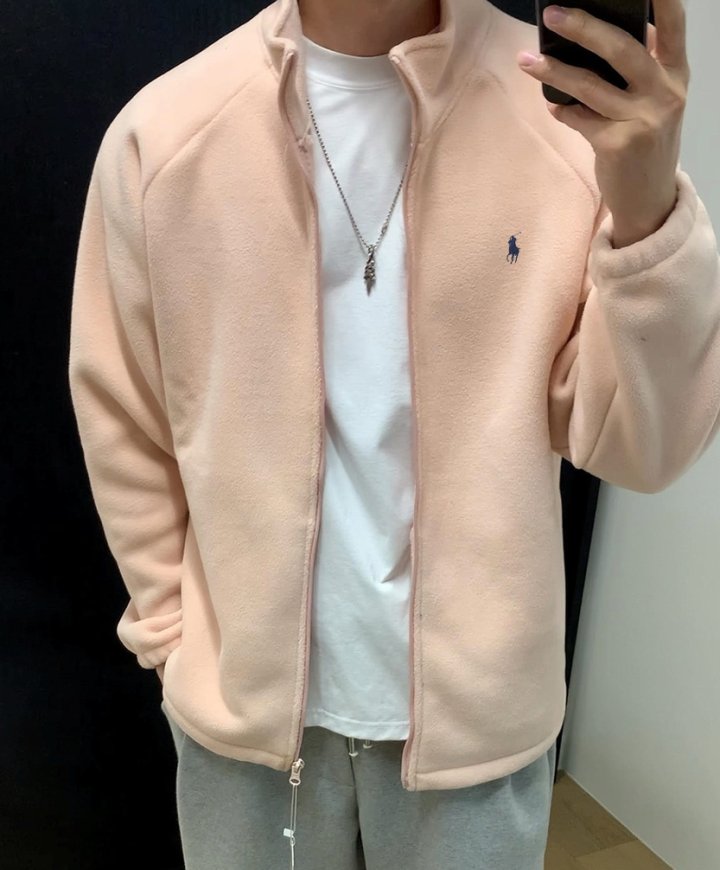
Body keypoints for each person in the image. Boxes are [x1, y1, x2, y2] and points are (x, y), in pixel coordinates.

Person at [68, 0, 720, 867]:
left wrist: (647, 214)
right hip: (245, 731)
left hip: (477, 734)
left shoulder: (567, 126)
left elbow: (645, 448)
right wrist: (171, 637)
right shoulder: (165, 137)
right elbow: (125, 417)